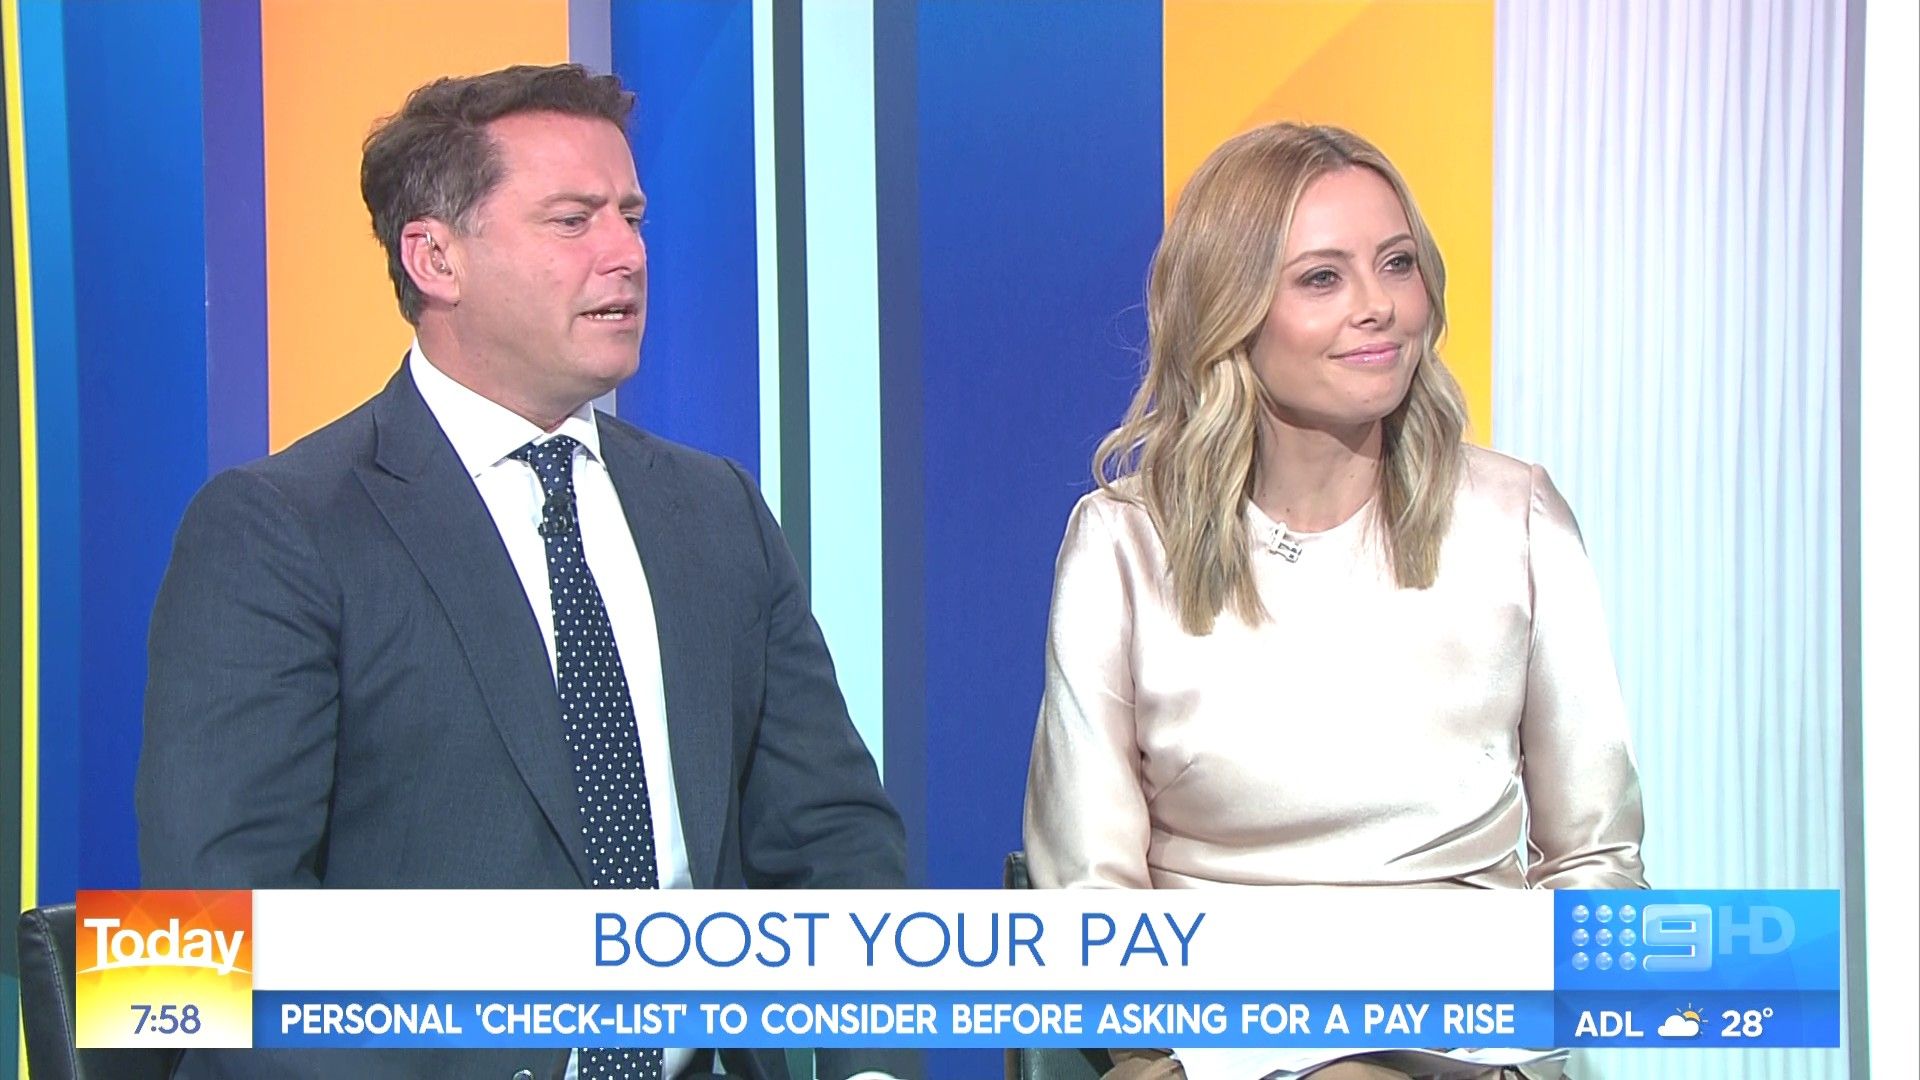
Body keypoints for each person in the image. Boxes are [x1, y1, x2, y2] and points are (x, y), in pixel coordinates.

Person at [138, 63, 914, 1080]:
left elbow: (832, 839)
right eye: (572, 221)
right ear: (435, 258)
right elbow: (213, 930)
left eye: (632, 217)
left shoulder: (715, 511)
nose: (627, 255)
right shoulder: (281, 530)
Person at [1022, 122, 1647, 1079]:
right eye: (1322, 278)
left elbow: (1595, 860)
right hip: (1212, 1039)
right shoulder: (1124, 542)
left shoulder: (1515, 519)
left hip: (1476, 1038)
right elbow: (1089, 891)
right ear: (1231, 311)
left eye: (1397, 264)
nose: (1379, 306)